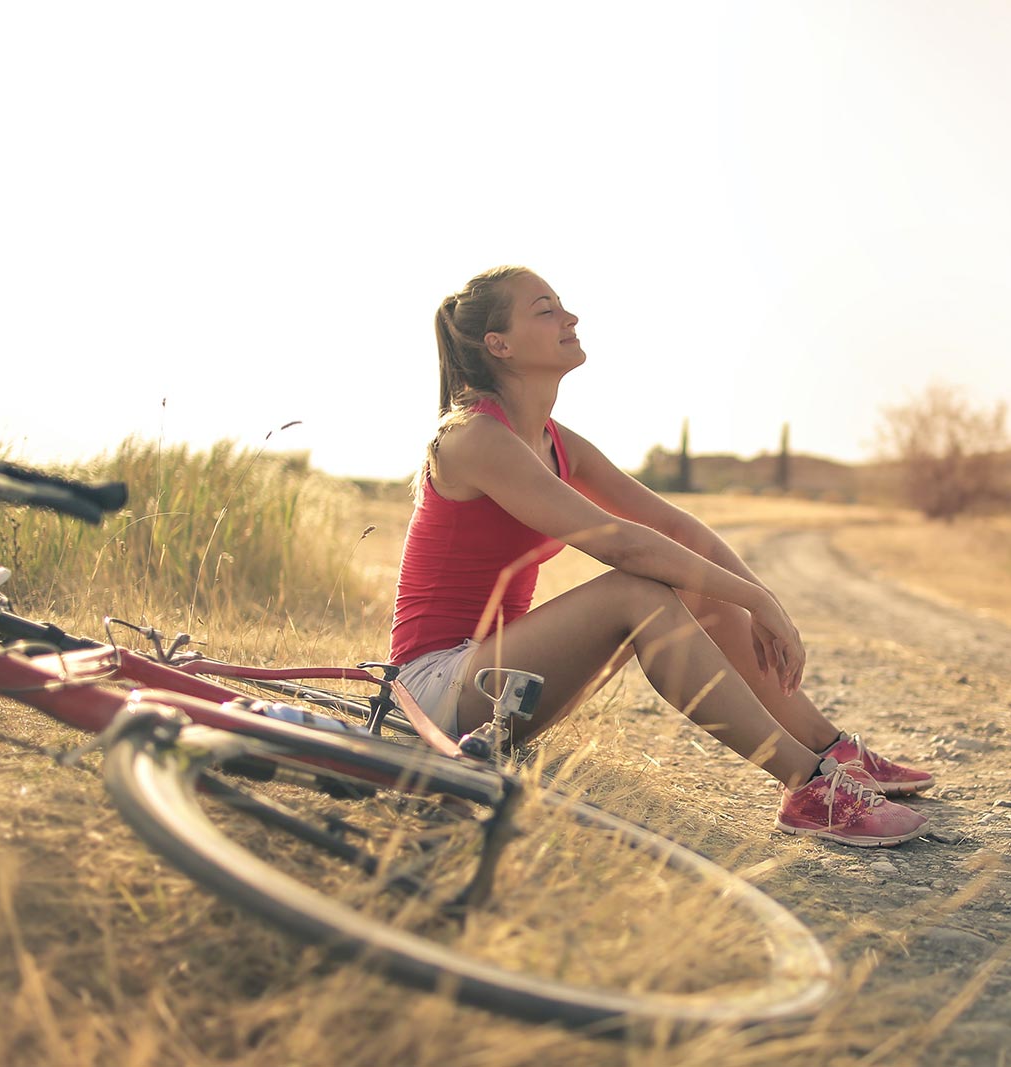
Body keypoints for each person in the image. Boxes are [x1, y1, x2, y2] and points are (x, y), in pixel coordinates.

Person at [389, 265, 933, 848]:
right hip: (433, 690)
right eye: (545, 310)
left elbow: (672, 524)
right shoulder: (473, 437)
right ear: (499, 345)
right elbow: (619, 541)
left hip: (503, 687)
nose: (570, 318)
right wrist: (753, 598)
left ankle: (832, 754)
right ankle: (807, 786)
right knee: (638, 590)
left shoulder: (554, 441)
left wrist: (761, 600)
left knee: (697, 582)